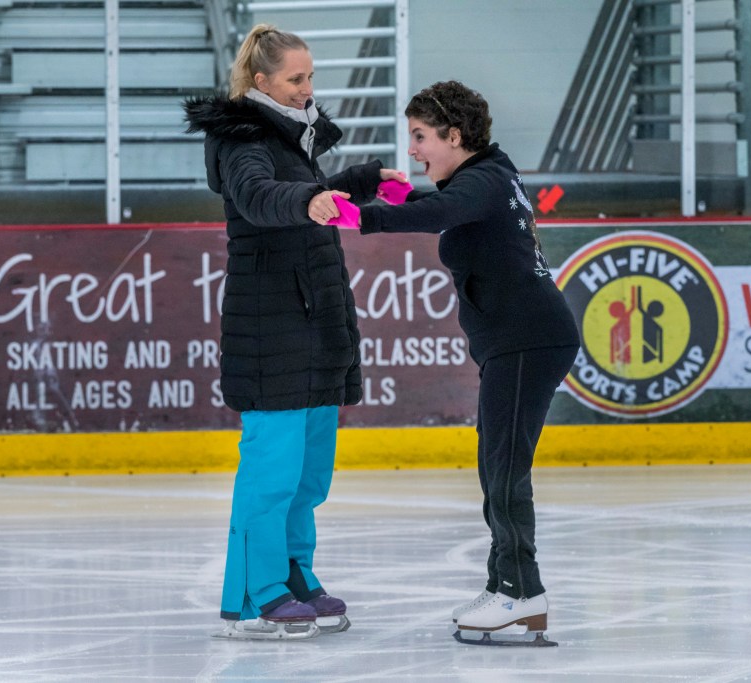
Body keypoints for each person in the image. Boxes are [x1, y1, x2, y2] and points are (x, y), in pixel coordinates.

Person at [330, 80, 580, 646]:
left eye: (420, 137)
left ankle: (522, 591)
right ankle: (505, 584)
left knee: (505, 469)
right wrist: (395, 198)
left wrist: (359, 217)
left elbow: (445, 208)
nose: (413, 150)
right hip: (520, 341)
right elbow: (446, 204)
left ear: (455, 135)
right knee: (495, 466)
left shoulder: (485, 181)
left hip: (527, 340)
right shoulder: (489, 173)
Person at [182, 24, 407, 640]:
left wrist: (360, 180)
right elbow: (260, 196)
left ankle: (294, 575)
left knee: (309, 475)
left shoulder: (291, 136)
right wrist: (309, 201)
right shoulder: (243, 138)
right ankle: (257, 596)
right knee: (271, 473)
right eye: (296, 79)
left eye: (311, 78)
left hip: (311, 325)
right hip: (271, 328)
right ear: (262, 83)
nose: (309, 90)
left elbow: (305, 189)